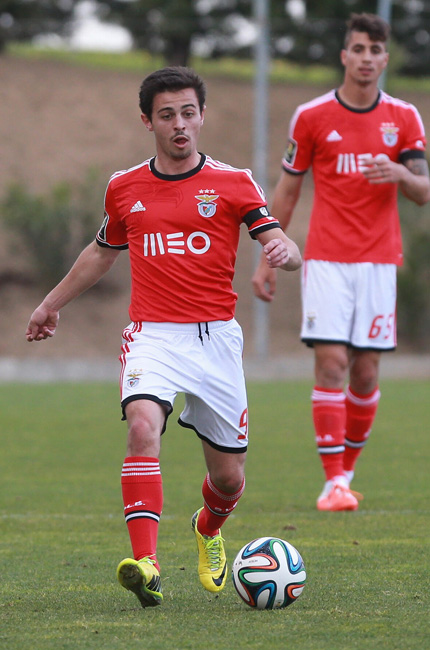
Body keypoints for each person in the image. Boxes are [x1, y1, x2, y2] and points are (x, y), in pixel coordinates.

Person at [26, 66, 302, 608]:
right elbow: (103, 252)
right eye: (167, 115)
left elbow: (283, 246)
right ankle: (147, 565)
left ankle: (207, 528)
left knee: (227, 479)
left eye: (188, 113)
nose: (180, 124)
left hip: (216, 341)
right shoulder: (124, 187)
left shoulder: (234, 182)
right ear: (147, 121)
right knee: (142, 427)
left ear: (202, 116)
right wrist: (49, 304)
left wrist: (284, 253)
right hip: (151, 336)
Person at [253, 13, 430, 512]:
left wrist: (397, 171)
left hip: (378, 262)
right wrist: (269, 255)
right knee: (331, 363)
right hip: (326, 259)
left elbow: (423, 191)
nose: (367, 58)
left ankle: (346, 474)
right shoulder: (311, 117)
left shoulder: (404, 118)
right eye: (358, 49)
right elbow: (288, 191)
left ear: (385, 58)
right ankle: (332, 484)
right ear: (344, 56)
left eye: (376, 50)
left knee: (366, 374)